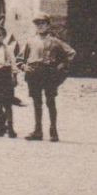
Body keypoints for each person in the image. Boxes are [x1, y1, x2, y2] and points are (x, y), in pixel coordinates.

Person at [20, 13, 76, 141]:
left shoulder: (55, 41)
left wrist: (61, 65)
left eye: (43, 23)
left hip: (49, 73)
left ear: (48, 25)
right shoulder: (30, 41)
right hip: (34, 73)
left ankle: (53, 131)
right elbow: (20, 58)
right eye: (37, 24)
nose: (40, 26)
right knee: (37, 102)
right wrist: (24, 67)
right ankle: (37, 130)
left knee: (50, 101)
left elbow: (71, 53)